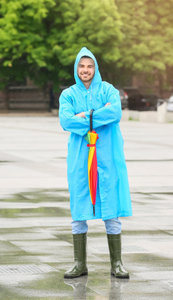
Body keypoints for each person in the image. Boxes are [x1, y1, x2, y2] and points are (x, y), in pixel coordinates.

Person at [59, 47, 132, 279]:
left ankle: (117, 263)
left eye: (90, 66)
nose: (85, 70)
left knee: (111, 207)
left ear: (95, 68)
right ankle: (79, 264)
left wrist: (86, 116)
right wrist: (98, 115)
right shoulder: (68, 95)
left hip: (107, 156)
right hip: (81, 159)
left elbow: (115, 113)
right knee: (79, 208)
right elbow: (66, 121)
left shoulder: (108, 90)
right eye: (82, 66)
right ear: (76, 69)